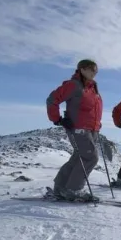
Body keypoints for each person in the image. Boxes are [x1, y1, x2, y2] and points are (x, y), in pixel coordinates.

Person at [46, 59, 103, 201]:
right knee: (91, 157)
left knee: (79, 157)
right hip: (78, 128)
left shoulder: (92, 88)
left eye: (96, 70)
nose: (94, 72)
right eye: (91, 69)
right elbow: (52, 99)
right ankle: (73, 189)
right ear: (82, 69)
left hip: (91, 129)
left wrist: (97, 127)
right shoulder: (74, 85)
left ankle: (60, 188)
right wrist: (58, 119)